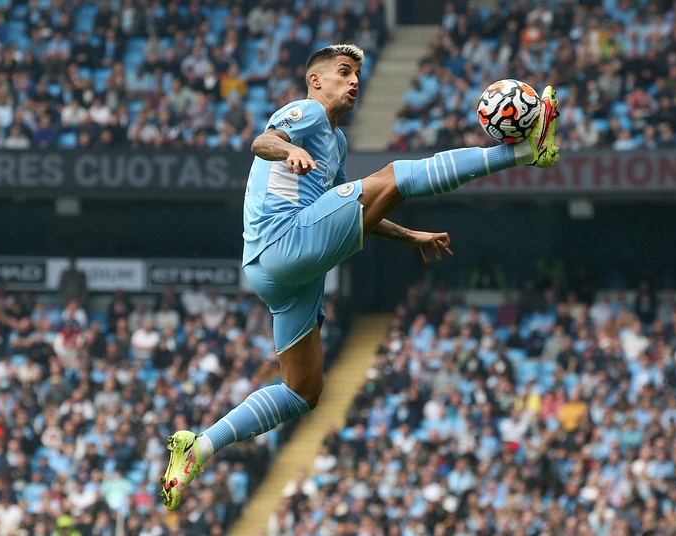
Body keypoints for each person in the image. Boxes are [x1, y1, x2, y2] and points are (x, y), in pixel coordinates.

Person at [159, 43, 560, 510]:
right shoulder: (307, 112)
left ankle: (200, 446)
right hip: (285, 241)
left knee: (302, 390)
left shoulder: (337, 143)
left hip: (277, 273)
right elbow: (262, 143)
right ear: (316, 80)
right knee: (395, 174)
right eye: (344, 72)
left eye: (357, 75)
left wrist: (408, 235)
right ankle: (524, 152)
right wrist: (289, 149)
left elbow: (353, 210)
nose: (353, 82)